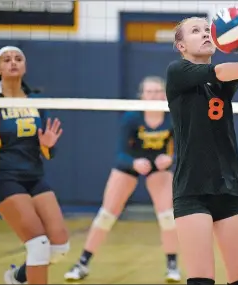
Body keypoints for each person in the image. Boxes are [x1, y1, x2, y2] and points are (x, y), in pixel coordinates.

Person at [165, 17, 238, 285]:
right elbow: (220, 71)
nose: (205, 33)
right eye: (196, 31)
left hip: (227, 187)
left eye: (209, 30)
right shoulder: (177, 72)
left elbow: (229, 72)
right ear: (181, 45)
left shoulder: (220, 81)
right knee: (202, 280)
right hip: (192, 190)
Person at [64, 76, 181, 283]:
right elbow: (120, 154)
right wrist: (133, 163)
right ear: (141, 95)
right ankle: (82, 263)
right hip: (130, 164)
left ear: (165, 94)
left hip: (158, 167)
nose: (154, 95)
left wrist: (170, 159)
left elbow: (182, 150)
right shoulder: (131, 117)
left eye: (158, 91)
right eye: (150, 92)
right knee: (106, 215)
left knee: (167, 216)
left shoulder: (173, 117)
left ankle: (172, 266)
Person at [0, 46, 70, 285]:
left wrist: (47, 144)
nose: (13, 62)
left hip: (34, 176)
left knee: (59, 247)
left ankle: (18, 278)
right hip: (4, 178)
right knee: (38, 244)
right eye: (6, 60)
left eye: (18, 59)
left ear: (24, 67)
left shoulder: (36, 101)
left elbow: (48, 151)